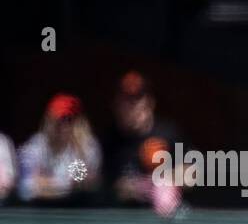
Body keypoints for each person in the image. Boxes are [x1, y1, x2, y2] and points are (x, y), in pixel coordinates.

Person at [101, 72, 183, 215]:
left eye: (138, 99)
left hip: (163, 221)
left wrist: (163, 181)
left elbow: (193, 172)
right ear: (116, 105)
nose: (133, 106)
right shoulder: (108, 140)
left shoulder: (168, 133)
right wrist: (121, 187)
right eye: (126, 100)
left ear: (150, 102)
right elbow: (90, 179)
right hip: (121, 218)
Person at [16, 94, 102, 205]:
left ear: (77, 122)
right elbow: (25, 188)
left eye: (69, 120)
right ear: (49, 121)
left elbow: (78, 183)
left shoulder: (87, 147)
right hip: (40, 209)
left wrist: (46, 184)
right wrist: (60, 185)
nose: (63, 125)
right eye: (59, 119)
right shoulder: (36, 146)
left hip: (76, 209)